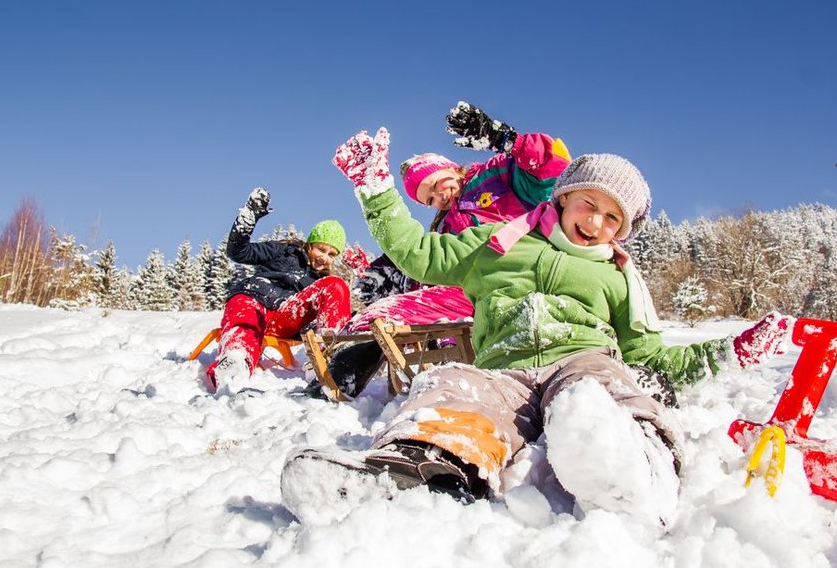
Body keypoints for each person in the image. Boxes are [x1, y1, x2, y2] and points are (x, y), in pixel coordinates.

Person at [282, 129, 792, 529]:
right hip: (505, 367)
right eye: (589, 204)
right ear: (565, 197)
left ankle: (633, 469)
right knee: (452, 385)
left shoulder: (617, 275)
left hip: (583, 358)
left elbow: (650, 354)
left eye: (613, 218)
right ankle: (410, 470)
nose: (595, 223)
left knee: (600, 390)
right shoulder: (498, 242)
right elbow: (418, 253)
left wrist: (732, 352)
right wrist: (377, 190)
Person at [304, 102, 573, 399]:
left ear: (448, 167)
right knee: (384, 313)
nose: (439, 197)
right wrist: (378, 271)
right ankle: (333, 378)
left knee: (391, 312)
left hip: (516, 283)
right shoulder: (443, 227)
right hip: (467, 294)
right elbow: (425, 259)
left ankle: (338, 379)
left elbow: (554, 171)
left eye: (435, 184)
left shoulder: (495, 176)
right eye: (429, 199)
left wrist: (506, 140)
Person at [206, 187, 352, 394]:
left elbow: (328, 314)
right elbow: (238, 252)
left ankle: (326, 362)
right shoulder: (284, 251)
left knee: (336, 285)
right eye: (321, 249)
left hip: (286, 315)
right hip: (253, 299)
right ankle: (234, 363)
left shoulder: (322, 281)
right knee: (245, 323)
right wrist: (248, 218)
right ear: (309, 244)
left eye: (331, 254)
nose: (324, 258)